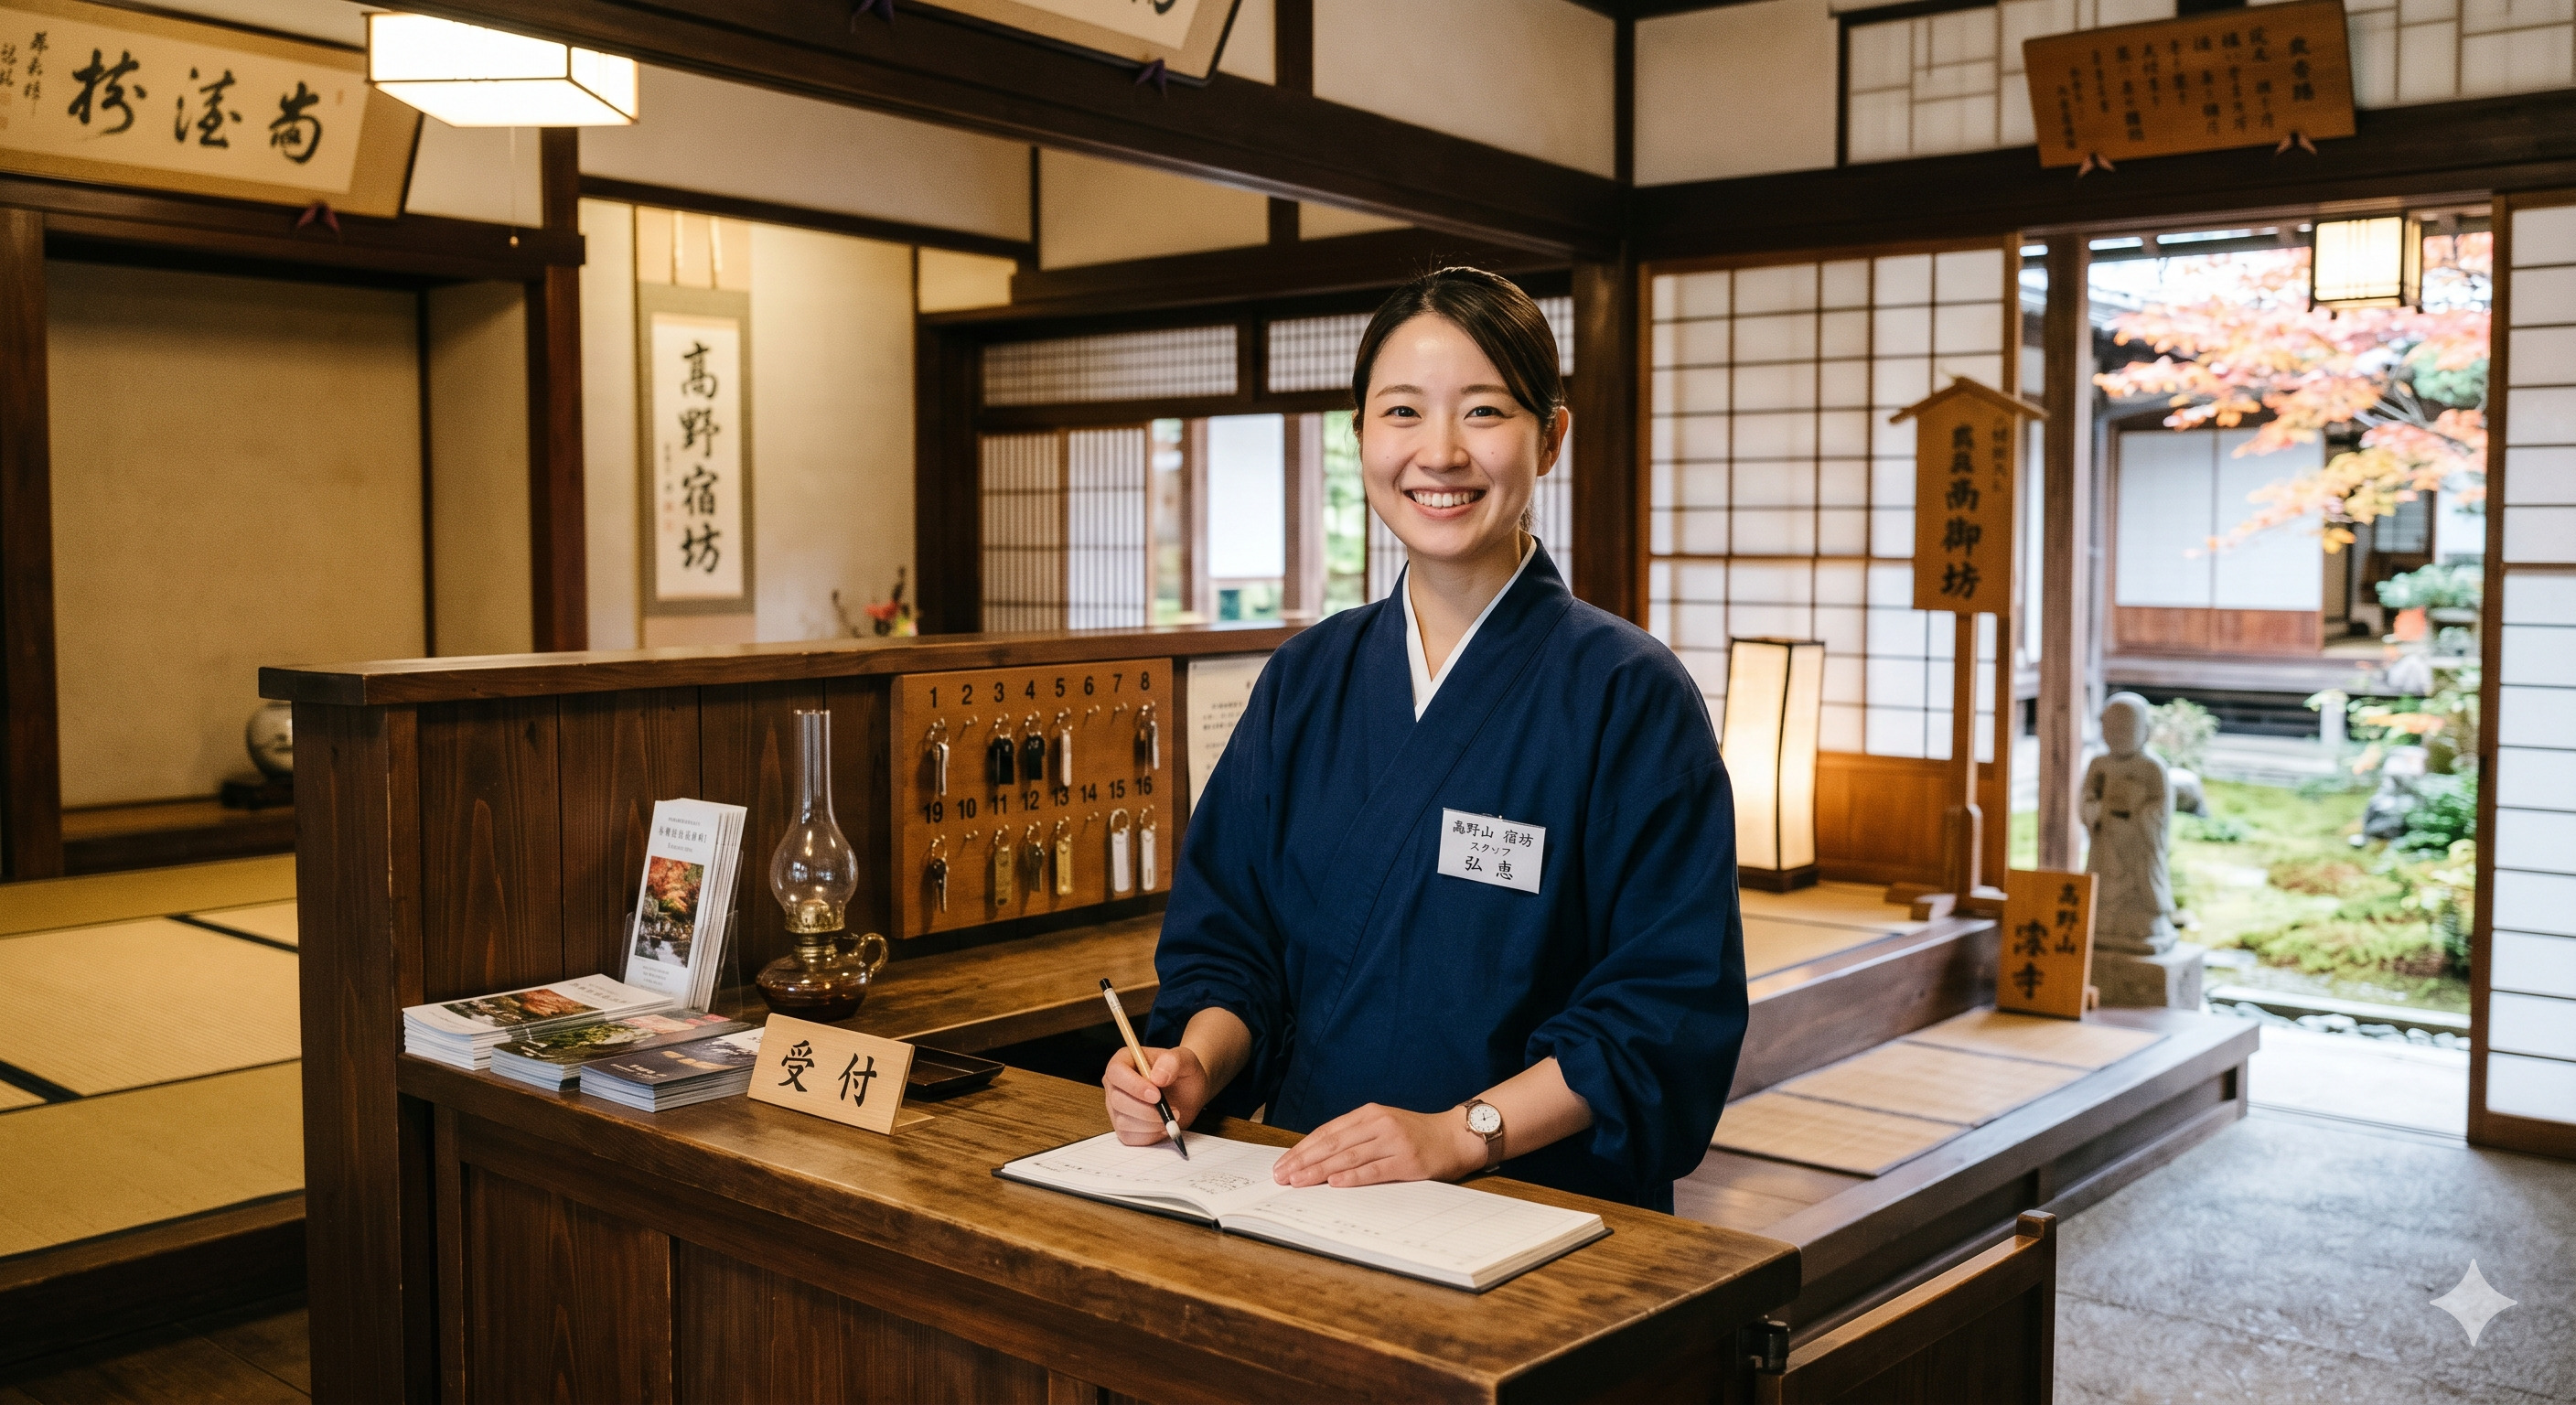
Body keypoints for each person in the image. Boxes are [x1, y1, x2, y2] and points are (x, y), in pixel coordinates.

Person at [1100, 267, 1748, 1212]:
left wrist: (1457, 1135)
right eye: (1400, 412)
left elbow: (1663, 1008)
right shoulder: (1305, 679)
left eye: (1483, 412)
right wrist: (1193, 1061)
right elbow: (1232, 947)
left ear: (1550, 437)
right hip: (1308, 1185)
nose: (1438, 453)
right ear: (1359, 433)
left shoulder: (1628, 695)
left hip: (1542, 1208)